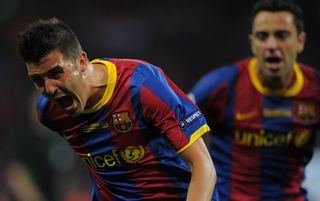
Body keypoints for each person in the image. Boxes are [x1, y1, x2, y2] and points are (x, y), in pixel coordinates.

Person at [18, 18, 218, 201]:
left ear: (81, 61)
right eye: (38, 80)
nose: (49, 89)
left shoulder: (142, 86)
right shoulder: (50, 112)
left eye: (56, 73)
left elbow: (203, 166)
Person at [188, 0, 319, 200]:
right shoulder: (221, 85)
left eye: (281, 35)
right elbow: (172, 127)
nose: (272, 45)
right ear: (252, 43)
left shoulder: (315, 88)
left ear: (300, 41)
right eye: (262, 36)